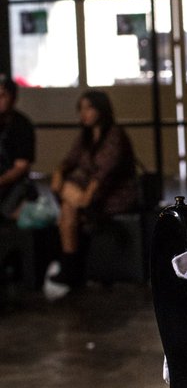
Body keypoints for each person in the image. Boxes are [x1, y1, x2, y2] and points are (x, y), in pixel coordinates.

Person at [47, 89, 138, 293]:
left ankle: (69, 266)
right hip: (90, 194)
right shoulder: (85, 137)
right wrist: (59, 174)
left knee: (68, 204)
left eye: (89, 108)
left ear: (101, 109)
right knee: (69, 205)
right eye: (81, 109)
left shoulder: (114, 134)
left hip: (114, 194)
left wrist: (86, 196)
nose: (84, 113)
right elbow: (70, 160)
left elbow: (104, 172)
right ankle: (71, 267)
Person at [0, 75, 36, 223]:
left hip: (13, 182)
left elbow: (21, 166)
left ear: (13, 98)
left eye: (2, 95)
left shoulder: (22, 125)